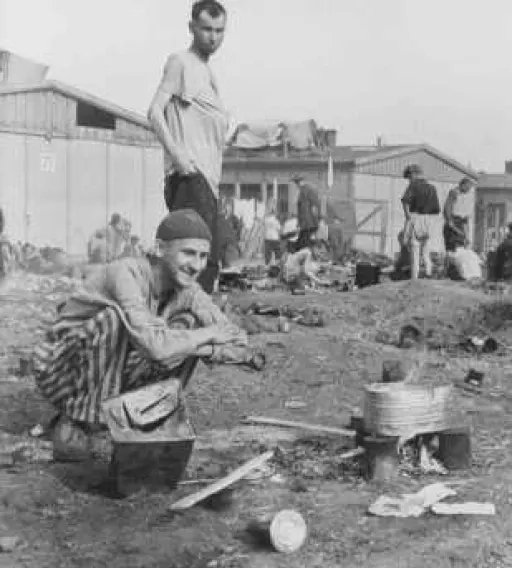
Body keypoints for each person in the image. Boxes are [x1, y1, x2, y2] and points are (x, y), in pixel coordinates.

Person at [32, 210, 253, 462]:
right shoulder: (125, 273)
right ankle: (80, 422)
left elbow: (236, 341)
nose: (196, 266)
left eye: (203, 256)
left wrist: (199, 343)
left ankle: (146, 416)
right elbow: (158, 348)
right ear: (159, 248)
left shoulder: (189, 290)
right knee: (115, 320)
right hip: (62, 371)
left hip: (110, 369)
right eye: (188, 253)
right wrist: (208, 337)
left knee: (186, 326)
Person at [147, 0, 246, 294]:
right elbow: (154, 112)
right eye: (206, 29)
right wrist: (177, 156)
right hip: (191, 177)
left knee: (209, 257)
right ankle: (181, 321)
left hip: (208, 181)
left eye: (219, 30)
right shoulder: (180, 62)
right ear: (192, 28)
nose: (213, 37)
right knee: (190, 257)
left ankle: (194, 318)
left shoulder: (207, 72)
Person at [401, 164, 440, 280]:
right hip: (429, 219)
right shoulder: (432, 188)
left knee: (414, 247)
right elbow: (436, 209)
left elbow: (405, 201)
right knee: (426, 249)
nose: (408, 180)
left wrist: (407, 215)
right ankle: (428, 273)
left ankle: (415, 277)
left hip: (416, 217)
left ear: (413, 174)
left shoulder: (414, 185)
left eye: (409, 177)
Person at [443, 177, 475, 253]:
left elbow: (466, 216)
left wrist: (467, 234)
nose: (469, 190)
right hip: (454, 222)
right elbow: (447, 207)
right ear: (462, 185)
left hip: (462, 223)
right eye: (467, 187)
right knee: (452, 248)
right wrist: (450, 221)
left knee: (461, 248)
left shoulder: (467, 195)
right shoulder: (454, 192)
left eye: (470, 188)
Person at [292, 174, 322, 251]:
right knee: (301, 245)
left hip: (309, 223)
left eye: (296, 182)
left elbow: (316, 204)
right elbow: (301, 209)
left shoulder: (308, 189)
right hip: (305, 224)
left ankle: (308, 258)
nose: (296, 184)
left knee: (302, 245)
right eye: (295, 182)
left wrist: (317, 219)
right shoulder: (302, 191)